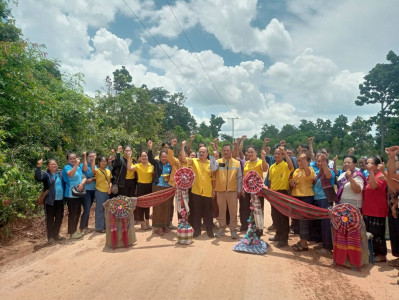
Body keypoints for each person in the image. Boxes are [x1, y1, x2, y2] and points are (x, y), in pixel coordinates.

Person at [210, 144, 242, 239]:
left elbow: (239, 177)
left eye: (228, 150)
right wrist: (212, 158)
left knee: (233, 211)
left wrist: (239, 189)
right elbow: (212, 169)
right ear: (222, 151)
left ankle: (233, 229)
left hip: (232, 190)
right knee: (222, 211)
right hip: (221, 190)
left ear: (231, 151)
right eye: (224, 150)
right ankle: (221, 228)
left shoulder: (237, 162)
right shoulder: (218, 161)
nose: (226, 152)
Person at [181, 146, 214, 238]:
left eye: (203, 152)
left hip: (207, 191)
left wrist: (214, 190)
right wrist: (183, 147)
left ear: (207, 153)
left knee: (208, 212)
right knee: (196, 212)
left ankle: (209, 230)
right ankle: (197, 230)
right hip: (196, 191)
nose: (202, 153)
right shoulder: (194, 161)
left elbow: (214, 178)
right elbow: (183, 159)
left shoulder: (211, 163)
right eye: (200, 152)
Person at [267, 146, 294, 248]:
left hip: (283, 193)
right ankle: (278, 235)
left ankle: (284, 239)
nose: (277, 155)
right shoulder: (272, 166)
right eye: (275, 153)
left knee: (283, 217)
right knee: (276, 216)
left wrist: (285, 153)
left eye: (279, 154)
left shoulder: (286, 165)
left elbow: (291, 166)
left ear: (282, 155)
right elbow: (270, 181)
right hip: (273, 193)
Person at [362, 156, 388, 262]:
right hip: (368, 209)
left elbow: (374, 187)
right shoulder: (369, 176)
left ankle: (381, 255)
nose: (368, 164)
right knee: (368, 232)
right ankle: (371, 253)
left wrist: (371, 172)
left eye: (371, 163)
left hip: (377, 210)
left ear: (377, 166)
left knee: (378, 234)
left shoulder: (381, 175)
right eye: (367, 162)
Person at [35, 158, 65, 243]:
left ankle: (56, 235)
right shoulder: (46, 175)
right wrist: (38, 166)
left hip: (60, 200)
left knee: (59, 218)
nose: (53, 165)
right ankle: (50, 237)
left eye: (55, 164)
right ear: (48, 166)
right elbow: (38, 178)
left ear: (57, 165)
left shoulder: (60, 173)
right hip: (50, 201)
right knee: (50, 219)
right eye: (51, 164)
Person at [290, 153, 316, 251]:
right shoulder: (296, 170)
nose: (300, 162)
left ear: (309, 162)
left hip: (306, 197)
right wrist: (291, 183)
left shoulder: (310, 170)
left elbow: (309, 175)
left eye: (304, 160)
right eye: (299, 160)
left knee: (304, 220)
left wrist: (304, 162)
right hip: (296, 196)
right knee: (297, 220)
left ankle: (304, 243)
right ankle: (301, 240)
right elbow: (292, 182)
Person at [240, 146, 268, 235]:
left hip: (257, 190)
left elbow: (265, 169)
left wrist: (263, 157)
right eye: (249, 152)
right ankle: (246, 226)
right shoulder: (246, 163)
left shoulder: (260, 161)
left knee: (258, 209)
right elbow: (244, 177)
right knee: (246, 208)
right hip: (247, 189)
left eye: (252, 152)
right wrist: (242, 188)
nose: (250, 154)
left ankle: (259, 228)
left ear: (256, 153)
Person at [148, 140, 173, 236]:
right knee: (158, 206)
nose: (164, 158)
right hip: (158, 186)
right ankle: (157, 227)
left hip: (167, 187)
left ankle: (165, 225)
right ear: (160, 157)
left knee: (166, 206)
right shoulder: (157, 163)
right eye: (162, 157)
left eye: (166, 157)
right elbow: (150, 159)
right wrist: (150, 148)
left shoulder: (170, 165)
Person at [312, 152, 335, 254]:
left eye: (321, 161)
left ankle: (327, 247)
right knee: (319, 223)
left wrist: (324, 164)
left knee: (326, 224)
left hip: (325, 200)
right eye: (318, 161)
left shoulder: (329, 171)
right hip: (317, 199)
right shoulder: (317, 173)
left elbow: (329, 176)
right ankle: (322, 243)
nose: (319, 163)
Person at [127, 151, 154, 230]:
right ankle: (142, 223)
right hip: (140, 186)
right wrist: (129, 158)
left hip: (149, 186)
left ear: (147, 157)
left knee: (148, 205)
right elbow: (129, 168)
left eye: (145, 156)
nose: (144, 157)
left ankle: (148, 223)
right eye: (142, 156)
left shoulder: (151, 166)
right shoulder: (137, 166)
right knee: (141, 205)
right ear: (140, 158)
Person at [62, 153, 86, 239]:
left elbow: (84, 177)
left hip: (78, 193)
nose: (73, 160)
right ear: (68, 160)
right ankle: (72, 233)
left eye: (74, 158)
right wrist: (76, 165)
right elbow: (71, 174)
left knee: (78, 212)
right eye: (71, 159)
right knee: (73, 214)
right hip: (70, 194)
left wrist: (82, 183)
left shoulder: (79, 168)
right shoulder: (67, 167)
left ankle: (74, 231)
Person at [90, 155, 112, 233]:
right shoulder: (98, 171)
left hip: (107, 192)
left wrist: (110, 188)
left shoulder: (108, 171)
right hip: (99, 192)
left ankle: (106, 226)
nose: (103, 163)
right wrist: (94, 159)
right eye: (102, 161)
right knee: (100, 209)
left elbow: (110, 181)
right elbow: (93, 169)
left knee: (107, 209)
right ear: (99, 163)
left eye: (105, 161)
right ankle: (99, 227)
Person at [80, 151, 96, 233]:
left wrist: (92, 178)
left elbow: (96, 175)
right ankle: (82, 227)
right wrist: (84, 156)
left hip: (93, 190)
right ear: (87, 157)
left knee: (88, 208)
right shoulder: (82, 165)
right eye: (90, 156)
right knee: (86, 208)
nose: (91, 158)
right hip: (85, 190)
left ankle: (85, 226)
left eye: (93, 156)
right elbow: (84, 171)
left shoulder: (95, 167)